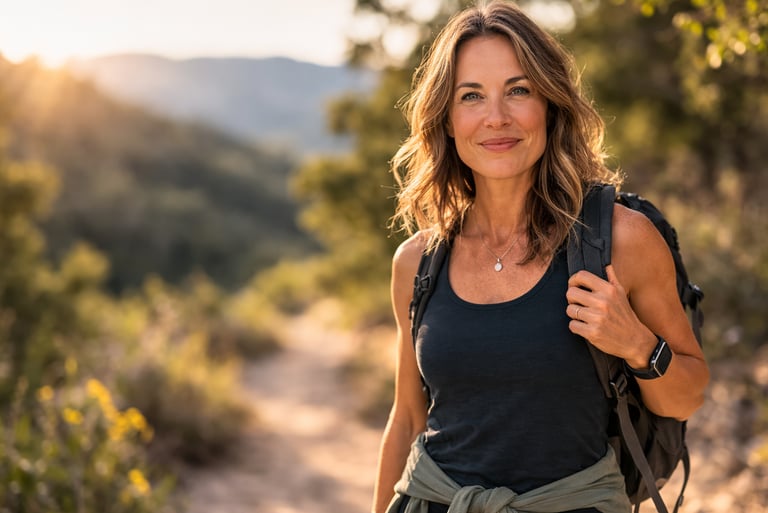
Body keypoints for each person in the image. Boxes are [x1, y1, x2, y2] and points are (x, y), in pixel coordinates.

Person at [371, 1, 709, 512]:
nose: (496, 117)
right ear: (446, 120)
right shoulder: (417, 262)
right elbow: (408, 421)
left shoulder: (621, 240)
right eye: (471, 96)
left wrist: (637, 343)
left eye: (518, 90)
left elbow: (687, 396)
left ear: (550, 105)